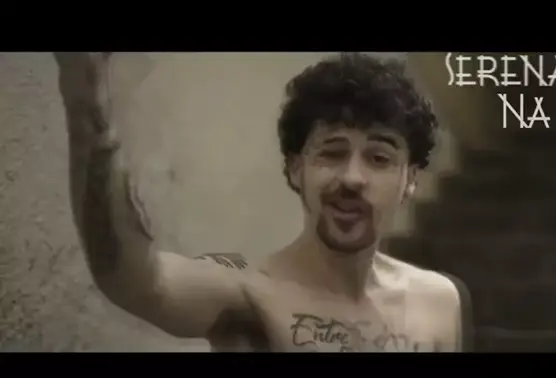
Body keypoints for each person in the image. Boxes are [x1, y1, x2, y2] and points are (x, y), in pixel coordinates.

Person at [54, 52, 473, 352]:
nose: (351, 178)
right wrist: (90, 110)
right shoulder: (248, 296)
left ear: (408, 180)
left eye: (379, 158)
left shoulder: (441, 302)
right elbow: (134, 280)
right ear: (295, 169)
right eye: (332, 153)